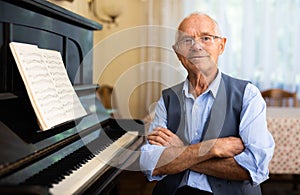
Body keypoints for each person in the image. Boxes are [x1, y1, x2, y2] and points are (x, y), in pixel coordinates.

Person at [139, 12, 275, 195]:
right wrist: (213, 148)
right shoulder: (167, 98)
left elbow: (255, 168)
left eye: (206, 38)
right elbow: (149, 163)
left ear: (222, 45)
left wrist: (180, 151)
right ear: (177, 52)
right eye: (187, 40)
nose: (196, 46)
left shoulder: (248, 95)